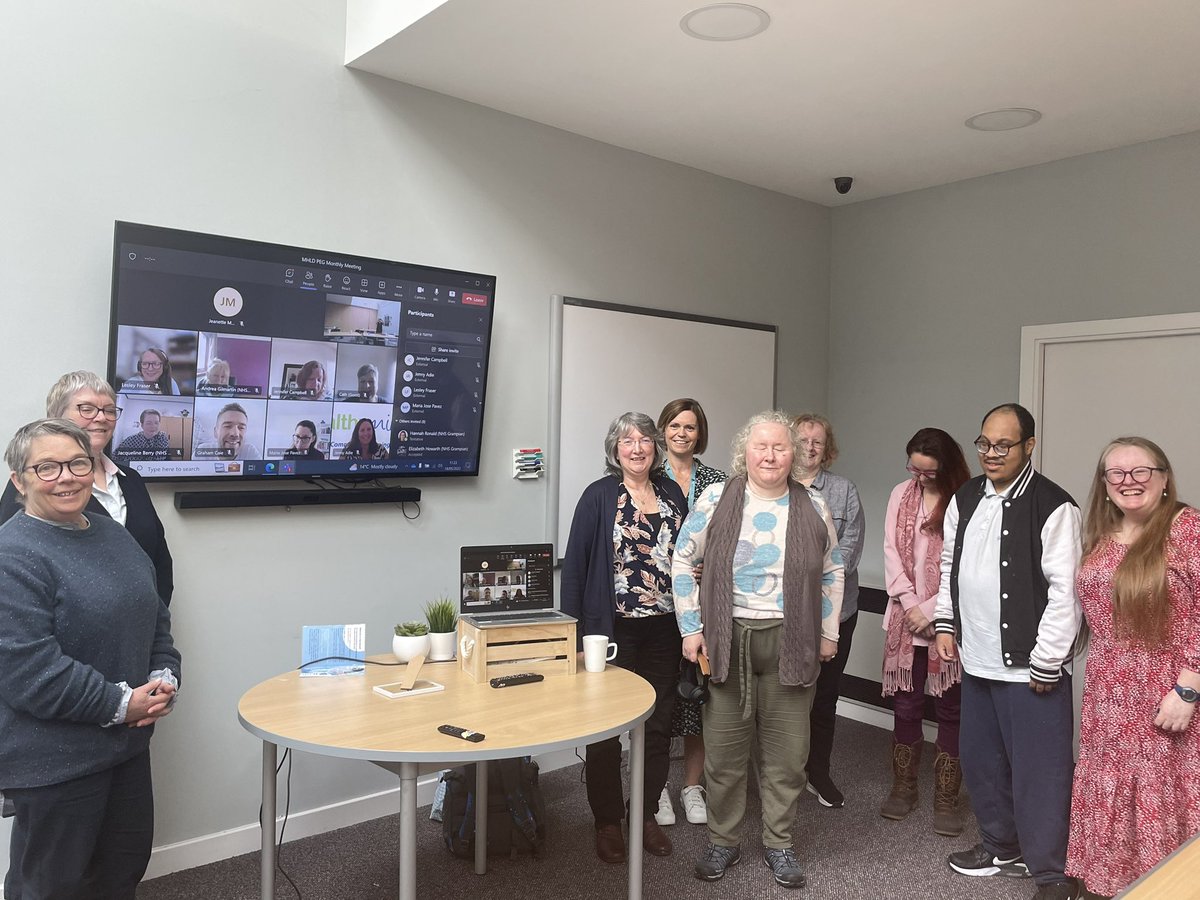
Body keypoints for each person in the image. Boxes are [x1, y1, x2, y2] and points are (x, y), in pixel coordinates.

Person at [0, 418, 181, 900]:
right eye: (47, 467)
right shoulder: (11, 554)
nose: (67, 476)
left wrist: (164, 676)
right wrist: (124, 705)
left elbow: (154, 620)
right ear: (19, 480)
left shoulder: (111, 535)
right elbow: (30, 672)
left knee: (121, 873)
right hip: (54, 762)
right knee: (52, 886)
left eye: (78, 462)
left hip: (126, 749)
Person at [672, 410, 844, 888]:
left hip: (793, 640)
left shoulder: (814, 506)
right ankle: (723, 841)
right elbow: (683, 560)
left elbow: (832, 571)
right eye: (761, 447)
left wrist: (830, 632)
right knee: (725, 757)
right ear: (744, 453)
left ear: (794, 454)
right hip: (728, 641)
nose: (770, 456)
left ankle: (780, 844)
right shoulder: (715, 498)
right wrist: (691, 627)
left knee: (787, 756)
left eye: (780, 447)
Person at [933, 403, 1082, 900]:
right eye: (984, 444)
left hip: (1031, 667)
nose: (990, 454)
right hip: (976, 657)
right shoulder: (966, 496)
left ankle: (1050, 872)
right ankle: (1000, 846)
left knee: (1041, 771)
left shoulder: (1054, 505)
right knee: (982, 761)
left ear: (1029, 446)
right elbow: (950, 564)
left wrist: (1048, 657)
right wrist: (946, 624)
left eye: (1003, 445)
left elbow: (1066, 591)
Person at [1065, 437, 1200, 898]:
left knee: (1160, 796)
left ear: (1164, 478)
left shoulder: (1187, 528)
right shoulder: (1101, 535)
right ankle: (1112, 883)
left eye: (1141, 471)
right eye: (1116, 473)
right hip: (1107, 692)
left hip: (1166, 690)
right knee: (1110, 787)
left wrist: (1188, 689)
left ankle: (1163, 888)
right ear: (1104, 485)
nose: (1129, 481)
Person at [561, 412, 687, 865]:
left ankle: (645, 814)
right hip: (610, 631)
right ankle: (607, 821)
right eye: (628, 441)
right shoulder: (598, 496)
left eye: (645, 441)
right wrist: (575, 634)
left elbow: (690, 560)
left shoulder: (672, 493)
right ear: (615, 449)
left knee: (657, 727)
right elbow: (575, 567)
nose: (637, 448)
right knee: (606, 729)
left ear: (655, 449)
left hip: (665, 628)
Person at [0, 371, 174, 605]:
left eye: (109, 410)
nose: (101, 418)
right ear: (56, 416)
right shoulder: (34, 483)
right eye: (87, 409)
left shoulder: (130, 479)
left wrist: (154, 623)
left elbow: (159, 558)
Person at [880, 428, 969, 833]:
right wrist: (911, 605)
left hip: (949, 622)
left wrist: (932, 611)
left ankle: (946, 797)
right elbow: (890, 553)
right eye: (913, 468)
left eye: (928, 472)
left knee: (951, 709)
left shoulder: (967, 499)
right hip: (904, 618)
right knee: (906, 704)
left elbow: (965, 564)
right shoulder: (901, 493)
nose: (919, 477)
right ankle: (904, 787)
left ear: (946, 468)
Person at [654, 398, 727, 828]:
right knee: (661, 700)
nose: (682, 433)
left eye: (691, 427)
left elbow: (732, 536)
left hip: (707, 606)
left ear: (700, 433)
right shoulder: (647, 474)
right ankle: (656, 788)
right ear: (663, 429)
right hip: (656, 607)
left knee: (702, 701)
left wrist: (709, 562)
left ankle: (692, 787)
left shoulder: (718, 480)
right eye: (675, 425)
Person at [793, 412, 865, 810]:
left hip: (834, 614)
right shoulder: (775, 486)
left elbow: (847, 555)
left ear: (828, 448)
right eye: (802, 439)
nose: (810, 446)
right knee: (784, 696)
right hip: (784, 615)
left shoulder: (843, 491)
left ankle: (818, 772)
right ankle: (784, 773)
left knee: (824, 696)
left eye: (818, 441)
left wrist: (807, 581)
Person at [194, 402, 261, 460]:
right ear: (215, 432)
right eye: (227, 426)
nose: (235, 434)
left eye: (241, 427)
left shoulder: (250, 452)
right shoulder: (202, 451)